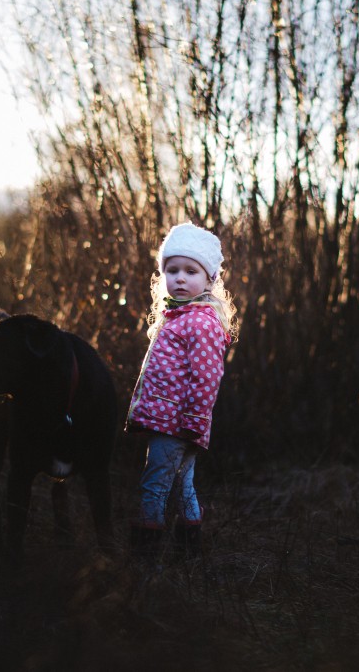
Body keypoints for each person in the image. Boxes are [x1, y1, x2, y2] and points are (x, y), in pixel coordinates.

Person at [126, 222, 238, 564]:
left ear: (209, 280)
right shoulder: (177, 316)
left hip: (176, 423)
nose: (180, 278)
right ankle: (189, 552)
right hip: (172, 420)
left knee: (155, 486)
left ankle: (146, 560)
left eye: (191, 271)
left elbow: (206, 378)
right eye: (172, 270)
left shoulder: (200, 321)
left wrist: (193, 420)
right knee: (181, 485)